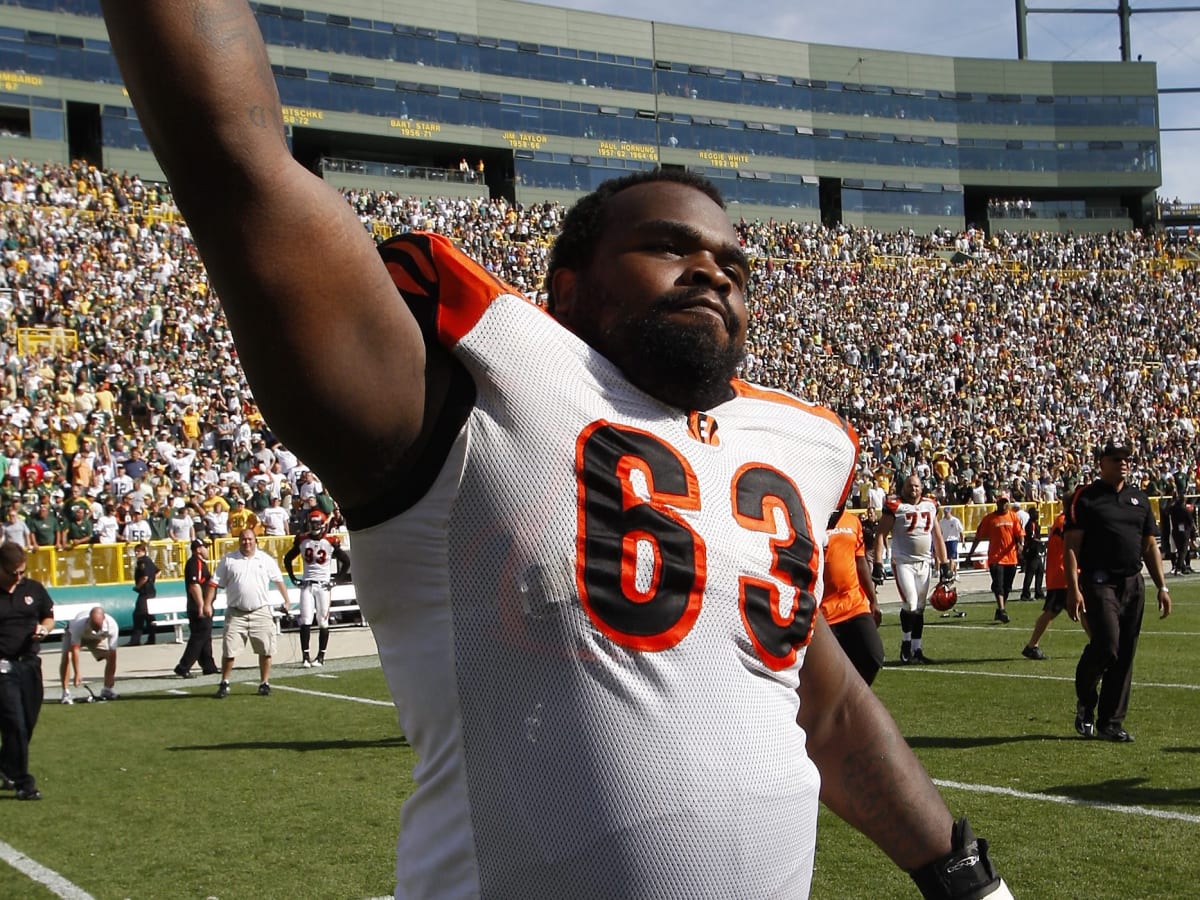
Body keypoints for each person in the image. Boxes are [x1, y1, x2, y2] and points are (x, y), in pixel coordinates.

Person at [100, 7, 1011, 894]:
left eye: (735, 267)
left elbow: (832, 707)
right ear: (566, 291)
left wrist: (964, 878)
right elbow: (237, 170)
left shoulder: (784, 450)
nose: (713, 272)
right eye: (667, 247)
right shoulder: (470, 400)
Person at [1065, 440, 1171, 743]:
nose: (1123, 463)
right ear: (1102, 463)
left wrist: (1161, 586)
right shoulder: (1086, 498)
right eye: (1115, 459)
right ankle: (1086, 698)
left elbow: (1149, 545)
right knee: (1107, 645)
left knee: (1125, 654)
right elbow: (1071, 546)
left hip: (1132, 580)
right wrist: (1073, 588)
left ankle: (1110, 722)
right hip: (1099, 580)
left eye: (1127, 459)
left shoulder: (1139, 498)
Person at [874, 474, 950, 664]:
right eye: (909, 486)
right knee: (911, 603)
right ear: (903, 488)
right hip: (903, 562)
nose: (913, 489)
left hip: (925, 563)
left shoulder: (930, 505)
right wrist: (877, 562)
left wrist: (945, 563)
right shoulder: (895, 506)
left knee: (920, 608)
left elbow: (937, 536)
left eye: (916, 486)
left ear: (921, 488)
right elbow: (881, 534)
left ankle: (917, 648)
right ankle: (906, 645)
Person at [207, 529, 291, 698]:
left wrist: (287, 600)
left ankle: (264, 682)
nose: (247, 542)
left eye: (250, 539)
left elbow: (278, 580)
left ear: (255, 541)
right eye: (244, 539)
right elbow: (214, 582)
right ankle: (225, 682)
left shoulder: (265, 559)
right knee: (229, 651)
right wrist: (208, 603)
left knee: (266, 649)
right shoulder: (229, 560)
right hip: (236, 612)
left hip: (260, 611)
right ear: (239, 541)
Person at [0, 541, 55, 800]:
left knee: (28, 722)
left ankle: (6, 767)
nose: (18, 577)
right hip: (2, 666)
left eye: (21, 572)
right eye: (13, 573)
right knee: (15, 723)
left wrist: (44, 629)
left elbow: (48, 616)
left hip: (30, 663)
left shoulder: (33, 589)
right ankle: (24, 783)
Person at [822, 507, 884, 684]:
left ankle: (853, 698)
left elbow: (860, 560)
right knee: (828, 672)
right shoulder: (812, 520)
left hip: (854, 604)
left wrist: (873, 600)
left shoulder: (852, 521)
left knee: (873, 656)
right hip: (824, 611)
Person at [283, 508, 349, 667]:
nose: (314, 527)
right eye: (312, 523)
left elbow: (346, 562)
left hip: (323, 586)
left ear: (322, 524)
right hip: (307, 584)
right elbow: (287, 559)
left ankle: (320, 657)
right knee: (305, 620)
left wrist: (336, 581)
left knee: (322, 621)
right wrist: (293, 578)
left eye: (317, 523)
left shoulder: (330, 541)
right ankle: (305, 657)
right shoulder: (302, 539)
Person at [1021, 511, 1085, 660]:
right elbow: (1072, 547)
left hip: (1061, 573)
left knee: (1058, 611)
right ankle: (1031, 645)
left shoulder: (1061, 521)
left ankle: (1032, 646)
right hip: (1064, 574)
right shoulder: (1066, 522)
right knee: (1058, 611)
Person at [966, 494, 1023, 623]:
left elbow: (1019, 534)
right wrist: (970, 554)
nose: (1004, 505)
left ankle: (1000, 608)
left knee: (1007, 586)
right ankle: (1002, 610)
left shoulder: (1013, 516)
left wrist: (1020, 545)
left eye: (1006, 502)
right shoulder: (989, 519)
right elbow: (978, 537)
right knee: (999, 584)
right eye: (1001, 502)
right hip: (996, 557)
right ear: (997, 503)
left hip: (1011, 557)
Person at [174, 539, 220, 678]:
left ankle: (208, 666)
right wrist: (202, 605)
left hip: (203, 605)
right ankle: (183, 666)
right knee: (199, 637)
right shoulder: (195, 563)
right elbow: (194, 585)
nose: (207, 549)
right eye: (205, 547)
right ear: (198, 549)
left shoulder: (200, 563)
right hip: (199, 606)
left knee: (205, 637)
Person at [59, 606, 120, 703]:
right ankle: (65, 693)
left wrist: (111, 677)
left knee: (109, 656)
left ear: (104, 619)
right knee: (67, 656)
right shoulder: (78, 625)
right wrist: (77, 673)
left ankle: (107, 689)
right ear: (89, 619)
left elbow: (113, 653)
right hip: (75, 635)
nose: (95, 628)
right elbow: (75, 649)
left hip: (96, 639)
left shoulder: (112, 625)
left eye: (98, 626)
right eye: (93, 625)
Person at [128, 542, 159, 646]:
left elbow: (144, 577)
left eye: (139, 551)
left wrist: (138, 586)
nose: (137, 553)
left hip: (145, 591)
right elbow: (158, 572)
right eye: (136, 551)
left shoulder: (142, 562)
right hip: (151, 590)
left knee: (138, 615)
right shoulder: (149, 560)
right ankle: (151, 638)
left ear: (144, 552)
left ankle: (135, 640)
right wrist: (152, 580)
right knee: (149, 615)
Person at [1162, 487, 1196, 575]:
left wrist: (1172, 501)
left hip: (1175, 531)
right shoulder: (1185, 510)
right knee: (1183, 551)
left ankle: (1183, 568)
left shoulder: (1173, 509)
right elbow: (1190, 523)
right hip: (1184, 532)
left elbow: (1166, 510)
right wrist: (1193, 536)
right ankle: (1179, 567)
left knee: (1181, 550)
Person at [1017, 507, 1045, 601]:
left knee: (1040, 571)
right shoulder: (1031, 524)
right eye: (1036, 513)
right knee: (1030, 572)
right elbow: (1032, 537)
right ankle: (1025, 594)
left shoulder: (1035, 524)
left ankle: (1038, 592)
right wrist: (1041, 543)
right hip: (1031, 551)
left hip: (1035, 551)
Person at [939, 504, 964, 580]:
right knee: (947, 558)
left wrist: (963, 541)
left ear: (950, 512)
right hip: (945, 540)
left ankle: (950, 573)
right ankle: (955, 573)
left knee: (951, 558)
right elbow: (940, 532)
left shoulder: (955, 520)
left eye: (947, 512)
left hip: (953, 540)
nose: (946, 513)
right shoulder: (941, 521)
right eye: (945, 512)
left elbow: (961, 531)